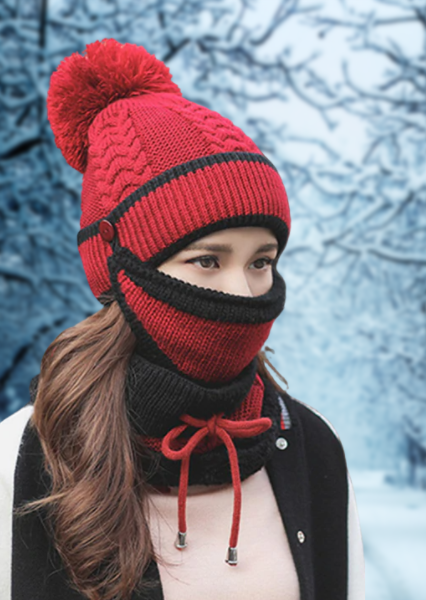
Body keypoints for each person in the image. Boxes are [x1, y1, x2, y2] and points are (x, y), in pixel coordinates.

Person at [0, 39, 364, 600]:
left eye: (261, 261)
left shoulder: (313, 449)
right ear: (119, 269)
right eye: (207, 260)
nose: (242, 292)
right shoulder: (25, 458)